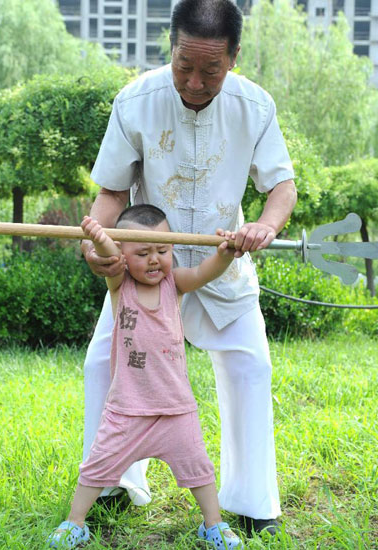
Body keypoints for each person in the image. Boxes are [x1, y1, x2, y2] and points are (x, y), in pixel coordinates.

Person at [81, 0, 297, 537]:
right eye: (184, 66)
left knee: (251, 368)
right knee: (102, 365)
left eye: (211, 70)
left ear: (234, 57)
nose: (195, 82)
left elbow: (281, 186)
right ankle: (111, 486)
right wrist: (97, 243)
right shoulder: (135, 101)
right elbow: (111, 190)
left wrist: (266, 226)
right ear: (170, 47)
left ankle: (250, 502)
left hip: (224, 265)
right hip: (146, 271)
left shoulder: (257, 105)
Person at [48, 204, 244, 549]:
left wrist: (226, 253)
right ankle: (74, 523)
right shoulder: (119, 285)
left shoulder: (175, 284)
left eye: (162, 250)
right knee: (96, 467)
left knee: (199, 469)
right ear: (123, 255)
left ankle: (213, 525)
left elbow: (204, 273)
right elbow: (111, 255)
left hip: (174, 407)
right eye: (143, 252)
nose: (155, 260)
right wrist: (102, 238)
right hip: (127, 408)